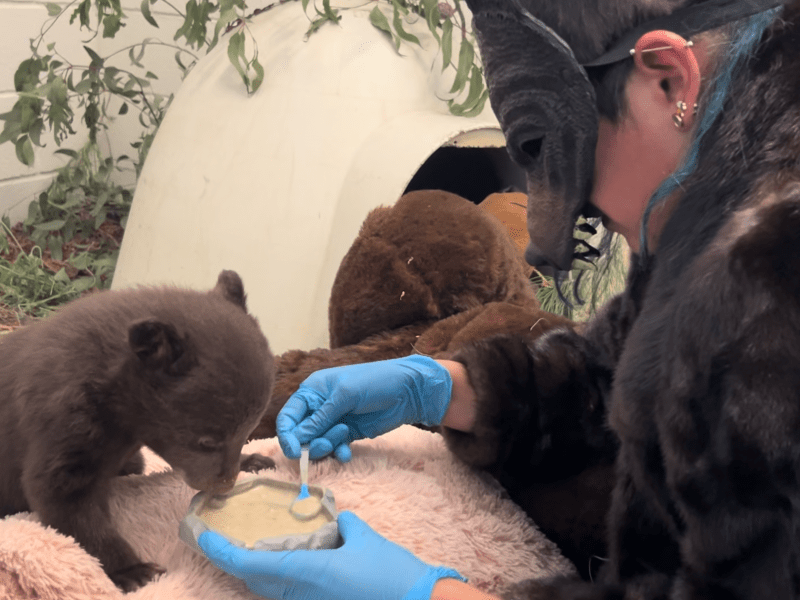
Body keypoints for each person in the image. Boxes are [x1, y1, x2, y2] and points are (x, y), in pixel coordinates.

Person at [199, 1, 800, 599]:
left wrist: (422, 595)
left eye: (553, 147)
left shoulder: (771, 276)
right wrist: (444, 388)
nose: (550, 230)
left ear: (669, 77)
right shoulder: (716, 203)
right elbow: (614, 382)